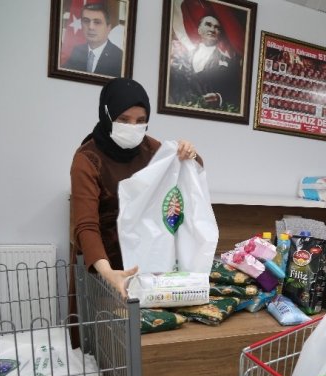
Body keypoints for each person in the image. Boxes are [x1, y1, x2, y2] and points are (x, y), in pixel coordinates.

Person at [70, 78, 201, 297]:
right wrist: (107, 272)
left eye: (140, 120)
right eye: (124, 119)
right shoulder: (87, 159)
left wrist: (190, 154)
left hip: (143, 257)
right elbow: (86, 225)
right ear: (107, 115)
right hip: (102, 262)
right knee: (105, 327)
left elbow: (189, 173)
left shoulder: (150, 149)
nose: (133, 127)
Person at [168, 15, 241, 110]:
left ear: (219, 33)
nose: (212, 29)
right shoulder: (183, 57)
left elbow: (235, 92)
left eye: (217, 27)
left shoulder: (229, 61)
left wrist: (219, 98)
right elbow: (174, 84)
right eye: (208, 25)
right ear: (199, 30)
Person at [64, 3, 123, 77]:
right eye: (86, 21)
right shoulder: (77, 50)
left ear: (108, 28)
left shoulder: (119, 57)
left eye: (97, 22)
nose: (91, 27)